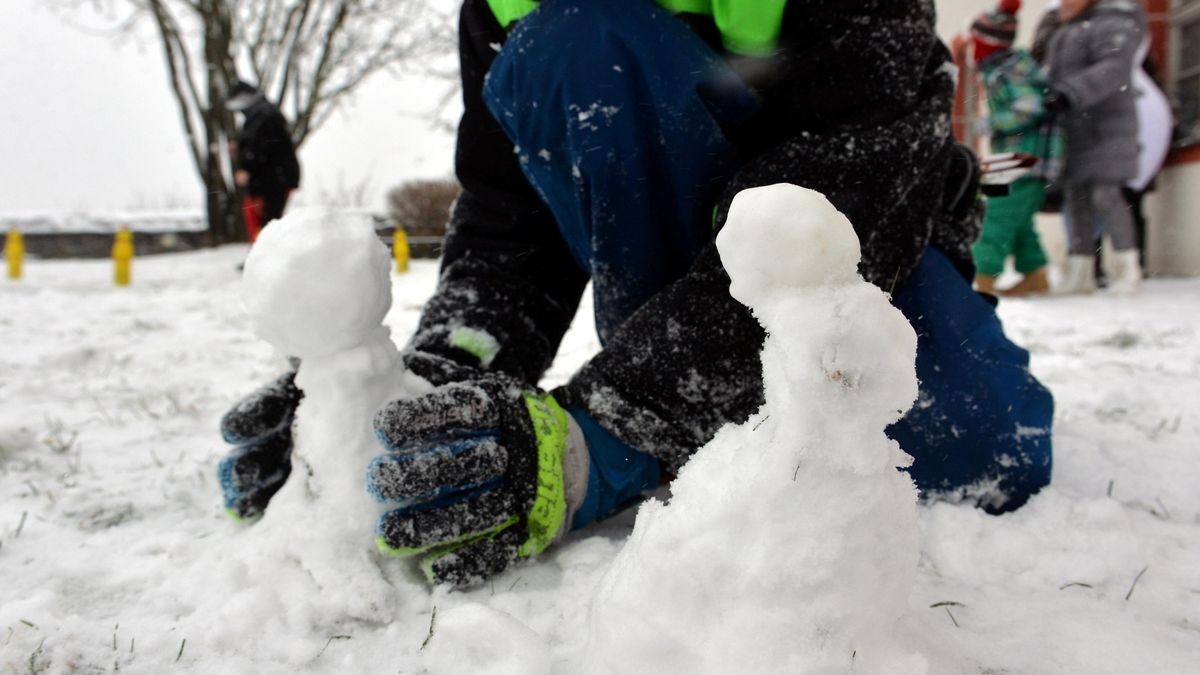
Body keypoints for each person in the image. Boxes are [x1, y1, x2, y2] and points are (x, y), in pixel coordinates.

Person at [217, 0, 1054, 587]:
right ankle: (686, 421)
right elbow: (511, 233)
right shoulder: (501, 11)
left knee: (975, 452)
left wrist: (604, 429)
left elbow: (860, 184)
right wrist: (418, 385)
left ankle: (668, 419)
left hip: (868, 243)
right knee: (576, 41)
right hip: (670, 263)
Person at [1044, 0, 1147, 295]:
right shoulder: (1067, 30)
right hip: (1075, 127)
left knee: (1106, 194)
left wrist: (1070, 92)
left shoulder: (1114, 23)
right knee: (1075, 198)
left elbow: (1114, 68)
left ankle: (1128, 268)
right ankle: (1081, 272)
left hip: (1108, 127)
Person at [968, 0, 1057, 296]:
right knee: (1019, 220)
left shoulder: (1008, 69)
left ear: (989, 43)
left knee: (995, 214)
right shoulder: (1003, 67)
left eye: (976, 40)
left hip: (1025, 158)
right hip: (1017, 158)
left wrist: (992, 121)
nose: (972, 47)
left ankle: (982, 279)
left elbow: (1030, 107)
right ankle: (1035, 274)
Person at [226, 81, 301, 242]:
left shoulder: (262, 115)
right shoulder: (263, 113)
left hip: (271, 178)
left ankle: (266, 257)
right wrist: (240, 147)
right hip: (274, 176)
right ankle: (262, 255)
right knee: (262, 217)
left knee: (266, 219)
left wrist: (246, 167)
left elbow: (259, 144)